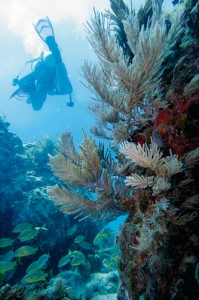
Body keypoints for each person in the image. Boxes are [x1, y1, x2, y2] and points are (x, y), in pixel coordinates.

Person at [10, 18, 73, 111]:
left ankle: (49, 46)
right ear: (44, 98)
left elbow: (23, 82)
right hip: (54, 68)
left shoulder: (35, 78)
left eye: (38, 95)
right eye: (42, 97)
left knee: (51, 60)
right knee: (64, 86)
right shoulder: (50, 90)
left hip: (48, 64)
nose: (42, 94)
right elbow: (66, 89)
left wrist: (16, 82)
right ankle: (51, 44)